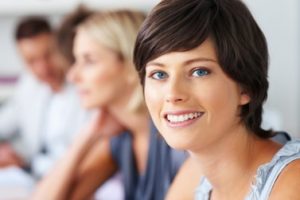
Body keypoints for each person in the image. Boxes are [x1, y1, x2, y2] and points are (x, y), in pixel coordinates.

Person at [133, 0, 300, 199]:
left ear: (245, 86)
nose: (172, 93)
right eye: (159, 74)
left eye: (199, 71)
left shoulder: (293, 184)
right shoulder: (193, 173)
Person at [32, 10, 187, 200]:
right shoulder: (121, 139)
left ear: (132, 65)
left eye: (89, 61)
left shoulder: (179, 137)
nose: (72, 76)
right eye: (76, 60)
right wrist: (87, 136)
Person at [0, 16, 89, 178]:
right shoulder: (29, 85)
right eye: (31, 61)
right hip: (34, 177)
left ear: (60, 47)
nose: (43, 68)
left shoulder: (85, 86)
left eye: (48, 55)